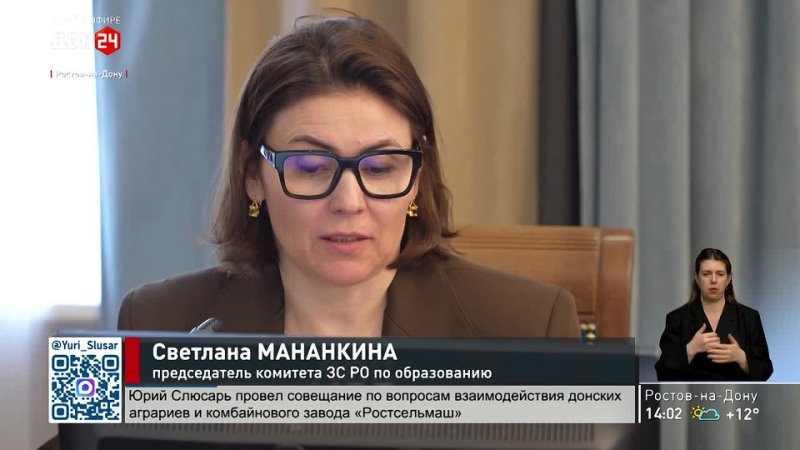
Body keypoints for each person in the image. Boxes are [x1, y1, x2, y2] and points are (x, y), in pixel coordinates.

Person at [116, 14, 579, 338]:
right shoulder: (158, 322)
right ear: (252, 173)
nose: (349, 202)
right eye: (312, 168)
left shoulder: (528, 326)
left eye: (379, 168)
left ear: (417, 177)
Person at [655, 248, 772, 381]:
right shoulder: (677, 318)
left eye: (720, 274)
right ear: (697, 278)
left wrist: (742, 358)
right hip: (692, 394)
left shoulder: (749, 317)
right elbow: (662, 372)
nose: (713, 280)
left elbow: (765, 370)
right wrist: (690, 350)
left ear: (728, 279)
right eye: (706, 274)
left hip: (735, 393)